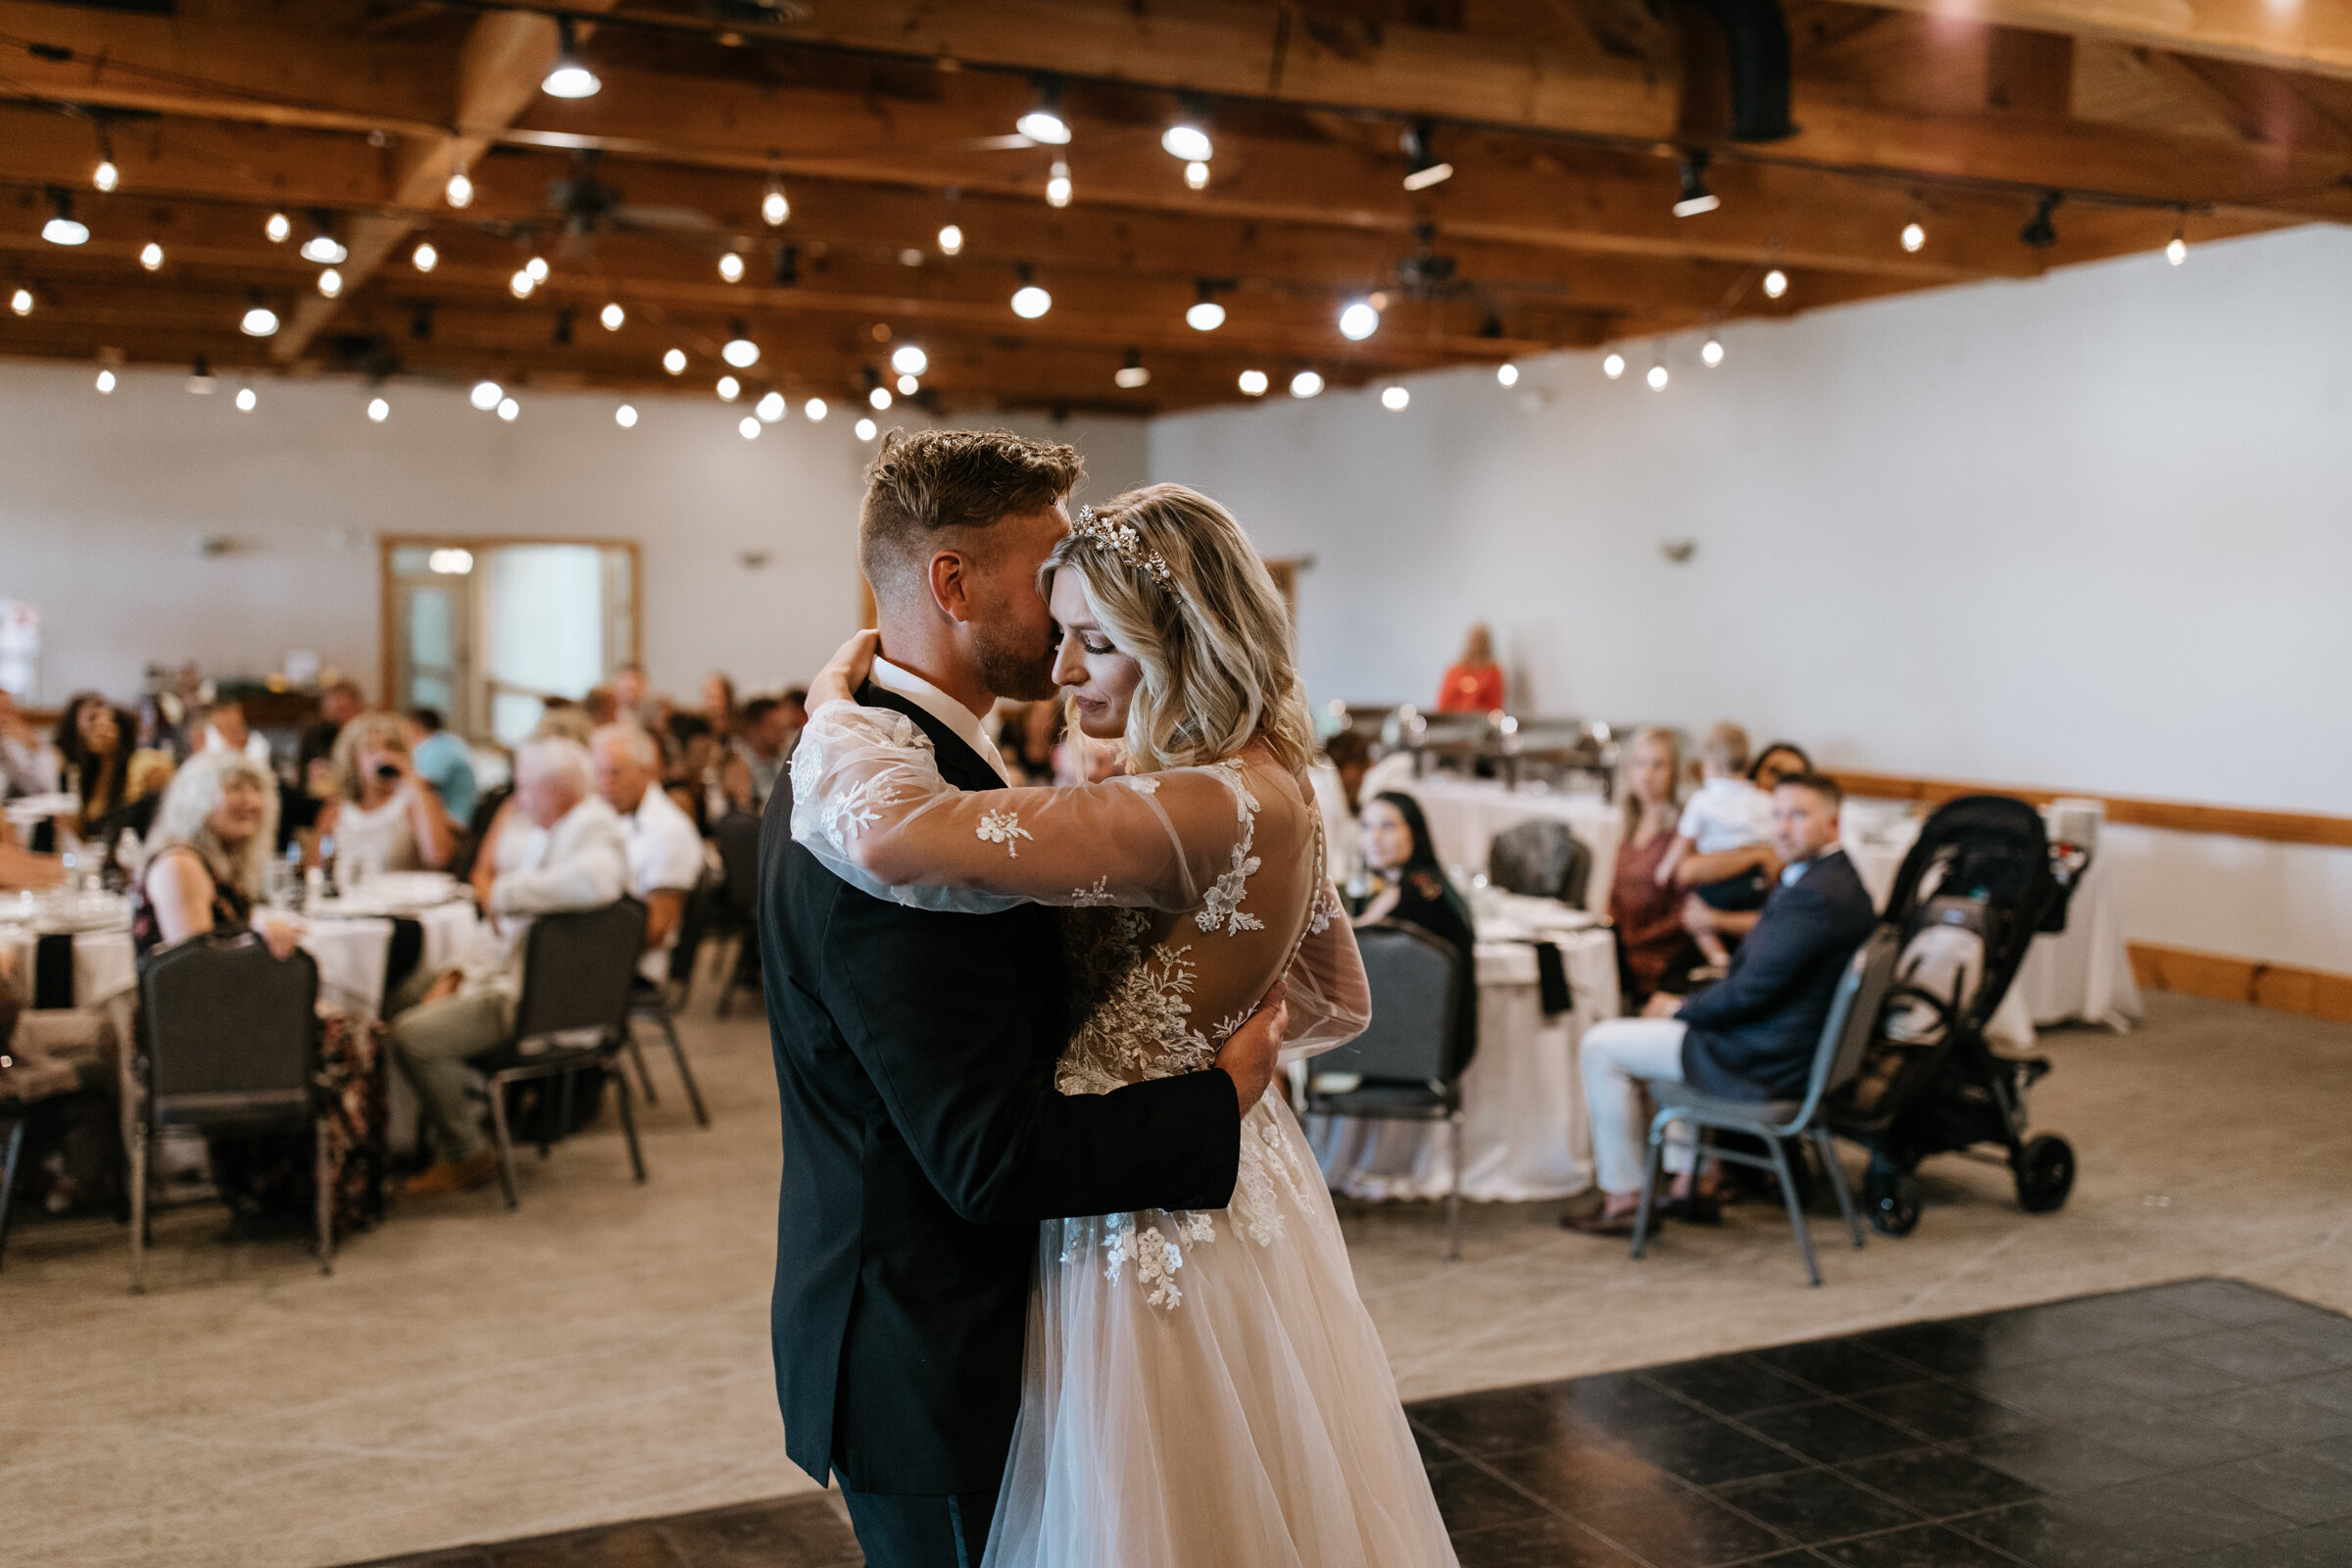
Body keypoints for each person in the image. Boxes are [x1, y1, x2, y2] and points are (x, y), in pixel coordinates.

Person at [785, 459, 1453, 1568]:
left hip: (1146, 1219)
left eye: (1094, 639)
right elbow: (1321, 983)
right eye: (1064, 634)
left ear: (1181, 637)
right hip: (1188, 1178)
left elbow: (894, 836)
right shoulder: (1262, 775)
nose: (1060, 669)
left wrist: (826, 713)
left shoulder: (1198, 804)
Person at [1565, 772, 1876, 1235]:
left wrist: (1678, 1009)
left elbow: (1749, 992)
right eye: (1777, 815)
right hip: (1781, 1044)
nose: (1783, 829)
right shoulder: (1837, 881)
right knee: (1668, 1022)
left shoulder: (1816, 898)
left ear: (1832, 824)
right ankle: (1694, 1181)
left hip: (1762, 1060)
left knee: (1601, 1045)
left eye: (1798, 815)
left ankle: (1625, 1198)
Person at [132, 751, 386, 1232]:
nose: (250, 802)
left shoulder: (213, 861)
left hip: (212, 1024)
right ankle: (311, 1190)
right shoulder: (181, 864)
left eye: (256, 791)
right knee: (351, 1037)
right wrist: (289, 994)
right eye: (235, 789)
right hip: (190, 1042)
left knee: (351, 1027)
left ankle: (297, 1187)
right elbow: (197, 980)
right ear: (196, 800)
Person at [386, 737, 627, 1198]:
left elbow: (597, 880)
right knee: (396, 995)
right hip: (506, 973)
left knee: (412, 1036)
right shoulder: (553, 830)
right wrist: (456, 973)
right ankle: (400, 1136)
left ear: (557, 789)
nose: (518, 800)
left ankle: (465, 1150)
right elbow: (503, 933)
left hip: (536, 1000)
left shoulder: (594, 827)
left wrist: (504, 893)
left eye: (524, 787)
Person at [1352, 789, 1480, 1070]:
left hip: (1415, 1046)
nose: (1374, 838)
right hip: (1427, 1044)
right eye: (1366, 827)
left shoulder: (1419, 898)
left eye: (1387, 826)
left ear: (1416, 833)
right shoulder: (1422, 887)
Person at [590, 723, 705, 985]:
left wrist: (578, 937)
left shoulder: (669, 831)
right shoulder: (610, 816)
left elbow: (655, 930)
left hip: (632, 965)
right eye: (599, 773)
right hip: (600, 945)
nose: (605, 784)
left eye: (616, 773)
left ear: (647, 772)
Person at [1658, 721, 1777, 971]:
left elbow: (1683, 840)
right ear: (1748, 763)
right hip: (1753, 880)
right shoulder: (1765, 801)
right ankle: (1745, 962)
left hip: (1714, 882)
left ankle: (1718, 959)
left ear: (1709, 764)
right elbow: (1773, 842)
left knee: (1698, 916)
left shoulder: (1702, 800)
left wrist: (1664, 870)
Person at [1609, 727, 1696, 1009]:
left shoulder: (1684, 831)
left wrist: (1631, 940)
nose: (1647, 775)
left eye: (1659, 765)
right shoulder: (1630, 825)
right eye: (1640, 763)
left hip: (1662, 958)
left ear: (1675, 773)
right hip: (1623, 949)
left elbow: (1686, 909)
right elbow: (1615, 895)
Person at [315, 711, 457, 881]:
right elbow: (315, 872)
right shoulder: (336, 812)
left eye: (391, 748)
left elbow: (439, 858)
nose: (383, 756)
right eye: (371, 749)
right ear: (353, 759)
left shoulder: (414, 803)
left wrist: (413, 782)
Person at [54, 693, 170, 847]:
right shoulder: (89, 774)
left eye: (107, 726)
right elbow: (94, 835)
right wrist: (76, 829)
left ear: (123, 731)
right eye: (94, 726)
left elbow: (156, 818)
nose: (99, 733)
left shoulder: (145, 765)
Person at [406, 708, 478, 825]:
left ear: (415, 725)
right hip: (447, 818)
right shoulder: (446, 743)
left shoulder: (440, 748)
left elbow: (421, 785)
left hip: (453, 821)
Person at [724, 696, 792, 811]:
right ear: (753, 728)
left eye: (783, 726)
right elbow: (742, 803)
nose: (782, 731)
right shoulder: (735, 760)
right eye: (774, 725)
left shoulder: (789, 757)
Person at [1, 687, 60, 798]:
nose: (7, 719)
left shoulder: (9, 746)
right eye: (3, 711)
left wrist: (35, 747)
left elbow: (38, 790)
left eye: (9, 712)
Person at [1436, 620, 1505, 713]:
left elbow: (1495, 706)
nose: (1476, 644)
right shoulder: (1454, 671)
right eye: (1474, 639)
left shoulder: (1493, 672)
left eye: (1480, 639)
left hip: (1481, 722)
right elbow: (1443, 704)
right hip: (1454, 721)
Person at [198, 698, 273, 768]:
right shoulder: (203, 736)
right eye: (227, 712)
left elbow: (260, 769)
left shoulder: (255, 740)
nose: (235, 718)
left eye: (237, 713)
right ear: (216, 714)